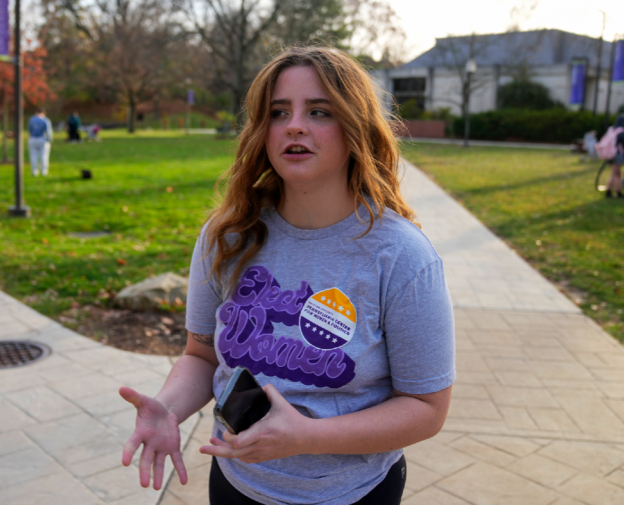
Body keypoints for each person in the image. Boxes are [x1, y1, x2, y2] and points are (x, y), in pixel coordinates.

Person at [119, 46, 454, 505]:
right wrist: (168, 410)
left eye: (319, 111)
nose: (295, 125)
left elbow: (426, 409)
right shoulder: (227, 237)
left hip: (353, 494)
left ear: (355, 127)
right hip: (238, 485)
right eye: (279, 112)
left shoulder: (402, 256)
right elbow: (201, 357)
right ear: (262, 131)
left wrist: (308, 436)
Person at [606, 114, 624, 198]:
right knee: (614, 173)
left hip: (610, 154)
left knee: (617, 173)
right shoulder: (621, 131)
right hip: (617, 155)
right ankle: (610, 191)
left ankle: (618, 191)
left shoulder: (611, 129)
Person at [28, 108, 53, 176]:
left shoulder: (32, 119)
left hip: (32, 139)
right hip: (42, 139)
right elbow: (48, 131)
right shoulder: (45, 120)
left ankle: (34, 171)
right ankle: (43, 171)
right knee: (44, 156)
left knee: (33, 156)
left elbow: (29, 129)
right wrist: (49, 140)